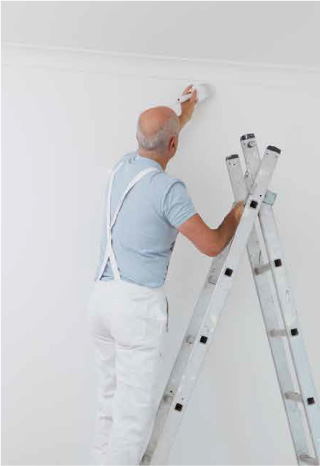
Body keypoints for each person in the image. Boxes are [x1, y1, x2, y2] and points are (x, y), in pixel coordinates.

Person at [87, 84, 244, 465]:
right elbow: (210, 244)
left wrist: (184, 115)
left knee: (108, 406)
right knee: (133, 417)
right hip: (135, 309)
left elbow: (157, 140)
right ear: (173, 145)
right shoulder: (167, 189)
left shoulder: (124, 167)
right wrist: (234, 216)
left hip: (102, 301)